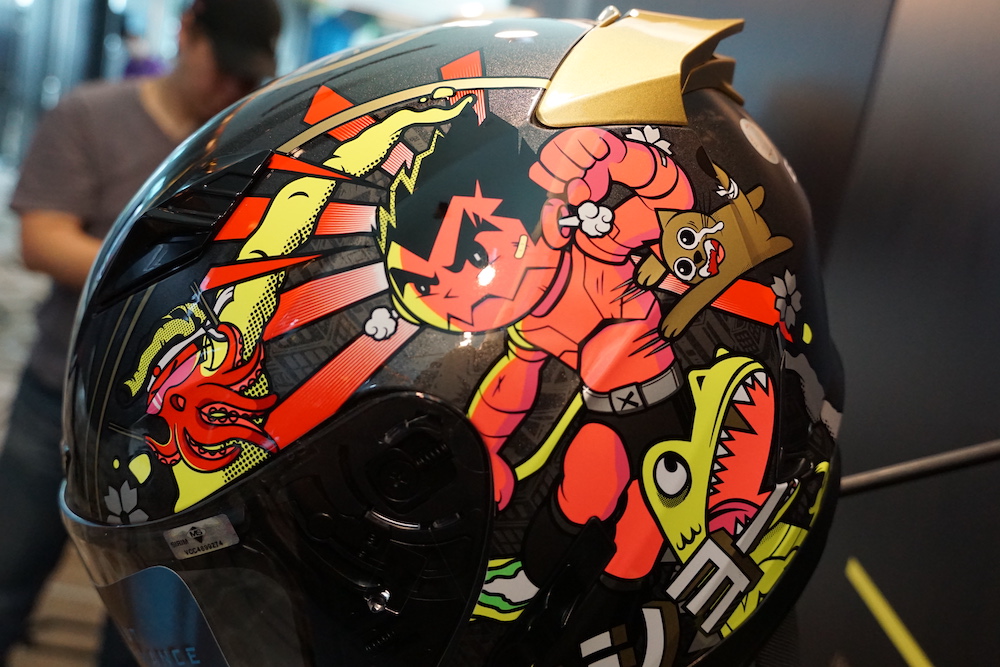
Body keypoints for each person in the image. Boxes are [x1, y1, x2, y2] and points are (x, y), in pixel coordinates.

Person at [0, 0, 281, 663]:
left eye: (248, 76)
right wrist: (174, 278)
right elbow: (43, 238)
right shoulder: (91, 115)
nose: (230, 87)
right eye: (223, 67)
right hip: (63, 399)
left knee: (145, 628)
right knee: (8, 573)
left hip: (173, 431)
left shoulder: (249, 143)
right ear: (187, 34)